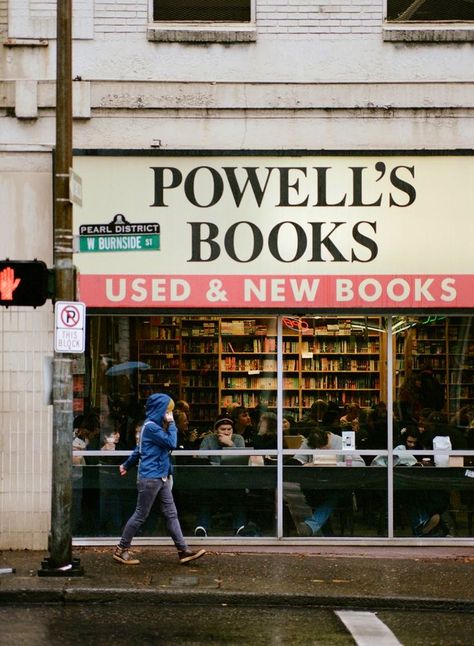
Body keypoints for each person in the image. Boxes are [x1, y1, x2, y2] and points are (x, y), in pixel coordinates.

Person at [113, 393, 206, 565]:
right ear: (160, 410)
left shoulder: (152, 427)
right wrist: (171, 423)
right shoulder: (151, 428)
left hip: (160, 476)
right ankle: (121, 549)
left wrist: (126, 465)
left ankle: (183, 550)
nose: (169, 414)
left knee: (171, 514)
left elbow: (139, 450)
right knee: (141, 514)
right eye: (168, 411)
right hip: (151, 478)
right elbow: (171, 443)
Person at [293, 427, 364, 537]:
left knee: (334, 495)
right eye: (318, 449)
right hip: (316, 485)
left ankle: (312, 526)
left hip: (338, 485)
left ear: (328, 438)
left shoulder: (343, 441)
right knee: (309, 494)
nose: (321, 451)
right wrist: (308, 464)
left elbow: (359, 463)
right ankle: (322, 531)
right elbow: (296, 461)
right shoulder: (309, 442)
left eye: (324, 448)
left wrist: (334, 464)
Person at [194, 417, 247, 536]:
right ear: (216, 430)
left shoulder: (238, 439)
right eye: (223, 429)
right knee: (205, 493)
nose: (227, 432)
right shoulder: (208, 439)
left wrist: (230, 444)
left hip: (234, 478)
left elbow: (242, 460)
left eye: (229, 429)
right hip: (213, 478)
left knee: (239, 493)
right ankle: (202, 526)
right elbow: (202, 459)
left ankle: (240, 527)